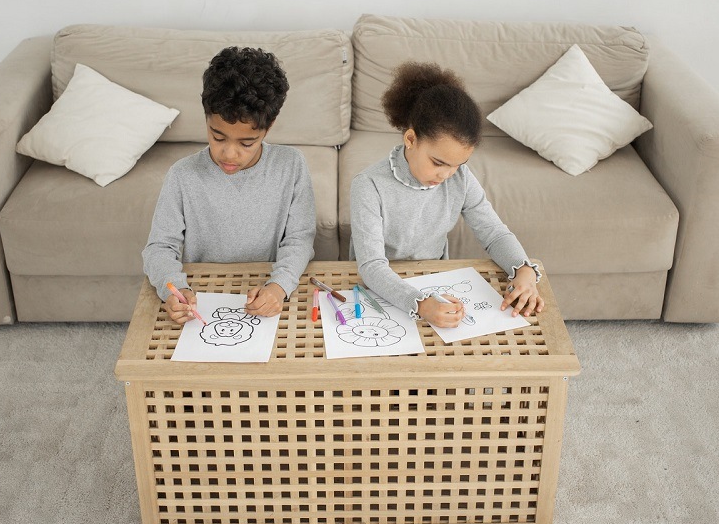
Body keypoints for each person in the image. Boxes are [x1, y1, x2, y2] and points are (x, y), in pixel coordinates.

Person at [349, 61, 544, 328]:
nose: (446, 175)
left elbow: (494, 232)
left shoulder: (459, 179)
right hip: (380, 291)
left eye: (457, 165)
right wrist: (419, 303)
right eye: (439, 163)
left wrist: (523, 270)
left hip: (435, 283)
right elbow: (371, 266)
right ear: (410, 139)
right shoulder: (368, 185)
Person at [143, 46, 316, 324]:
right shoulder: (182, 175)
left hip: (263, 290)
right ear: (206, 118)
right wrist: (172, 289)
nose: (229, 154)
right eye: (218, 136)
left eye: (246, 143)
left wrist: (279, 285)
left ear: (267, 128)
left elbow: (299, 238)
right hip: (200, 299)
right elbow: (159, 248)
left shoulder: (291, 165)